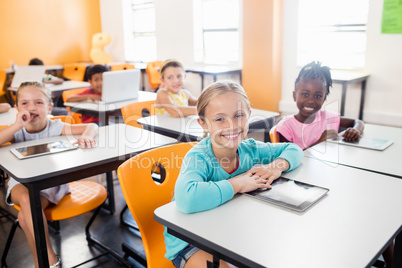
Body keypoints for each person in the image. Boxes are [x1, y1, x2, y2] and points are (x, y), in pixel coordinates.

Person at [163, 80, 304, 268]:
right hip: (189, 242)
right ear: (203, 124)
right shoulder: (199, 157)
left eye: (238, 115)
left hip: (230, 233)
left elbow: (293, 149)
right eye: (220, 119)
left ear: (249, 116)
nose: (231, 125)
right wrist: (238, 184)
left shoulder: (250, 148)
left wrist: (277, 166)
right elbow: (186, 199)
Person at [0, 81, 98, 268]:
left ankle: (41, 263)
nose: (32, 108)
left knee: (24, 217)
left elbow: (92, 127)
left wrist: (86, 136)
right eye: (25, 103)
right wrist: (16, 125)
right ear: (17, 108)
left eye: (38, 103)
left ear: (50, 107)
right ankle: (51, 260)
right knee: (28, 200)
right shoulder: (15, 130)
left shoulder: (55, 127)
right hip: (20, 185)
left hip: (50, 183)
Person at [276, 61, 365, 150]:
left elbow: (358, 122)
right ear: (294, 96)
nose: (311, 101)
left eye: (318, 96)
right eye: (305, 94)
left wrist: (356, 130)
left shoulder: (327, 117)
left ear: (324, 98)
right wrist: (320, 141)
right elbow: (290, 157)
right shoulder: (286, 127)